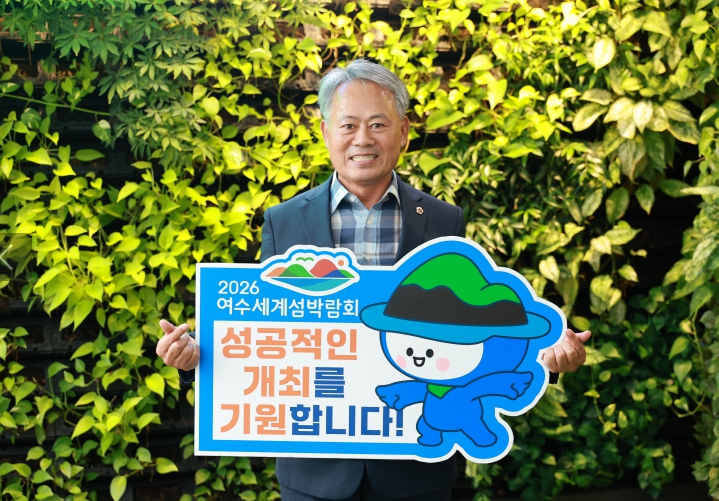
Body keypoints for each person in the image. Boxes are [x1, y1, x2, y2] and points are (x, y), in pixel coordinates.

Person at [156, 59, 592, 501]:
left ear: (403, 132)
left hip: (416, 472)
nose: (362, 139)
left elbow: (472, 333)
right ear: (326, 132)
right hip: (314, 474)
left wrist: (547, 357)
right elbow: (262, 334)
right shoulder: (283, 221)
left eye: (378, 124)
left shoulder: (444, 221)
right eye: (348, 125)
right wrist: (193, 358)